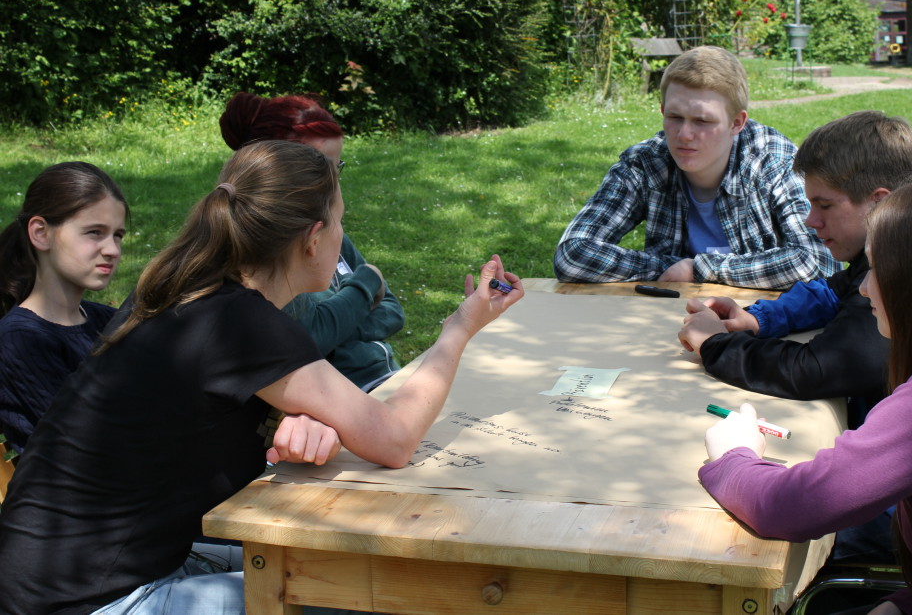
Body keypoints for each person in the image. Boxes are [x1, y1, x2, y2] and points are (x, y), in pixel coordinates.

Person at [0, 140, 523, 614]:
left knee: (335, 570)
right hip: (87, 599)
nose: (344, 235)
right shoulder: (241, 323)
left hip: (54, 577)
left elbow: (195, 412)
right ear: (313, 239)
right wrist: (458, 328)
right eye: (341, 222)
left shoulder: (182, 291)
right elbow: (394, 439)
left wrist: (297, 417)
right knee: (374, 597)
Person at [699, 178, 912, 615]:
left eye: (875, 269)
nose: (865, 287)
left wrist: (734, 457)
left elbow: (793, 507)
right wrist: (906, 605)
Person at [678, 111, 912, 430]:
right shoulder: (896, 246)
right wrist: (757, 319)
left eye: (825, 206)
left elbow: (816, 370)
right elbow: (829, 293)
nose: (811, 221)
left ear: (879, 204)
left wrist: (714, 344)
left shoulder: (900, 274)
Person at [552, 45, 837, 289]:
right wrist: (669, 267)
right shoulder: (646, 163)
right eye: (675, 117)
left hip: (760, 325)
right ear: (663, 110)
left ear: (737, 123)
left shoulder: (773, 160)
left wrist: (700, 270)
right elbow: (572, 254)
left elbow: (818, 261)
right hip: (669, 316)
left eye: (702, 121)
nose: (684, 134)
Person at [220, 91, 404, 390]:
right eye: (322, 167)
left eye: (337, 166)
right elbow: (309, 337)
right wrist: (367, 283)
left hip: (386, 380)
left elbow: (393, 311)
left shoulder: (329, 231)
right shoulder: (266, 258)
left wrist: (336, 325)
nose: (334, 182)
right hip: (340, 398)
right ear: (276, 174)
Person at [0, 161, 128, 454]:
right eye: (95, 232)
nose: (112, 249)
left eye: (117, 235)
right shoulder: (19, 339)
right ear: (41, 233)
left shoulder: (107, 321)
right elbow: (88, 444)